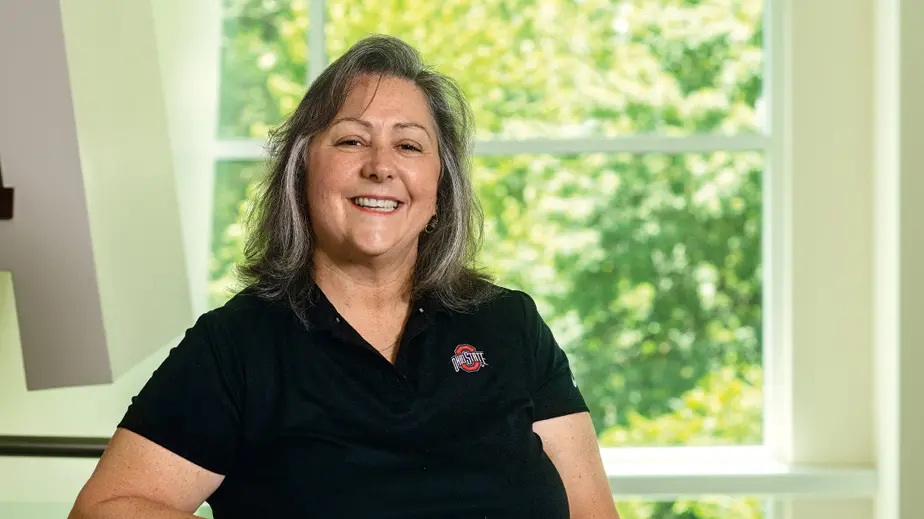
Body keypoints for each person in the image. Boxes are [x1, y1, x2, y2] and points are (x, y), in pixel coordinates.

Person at [68, 34, 620, 519]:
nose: (380, 166)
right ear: (303, 171)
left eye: (408, 145)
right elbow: (103, 510)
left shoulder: (510, 324)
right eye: (352, 140)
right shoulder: (237, 347)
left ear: (438, 190)